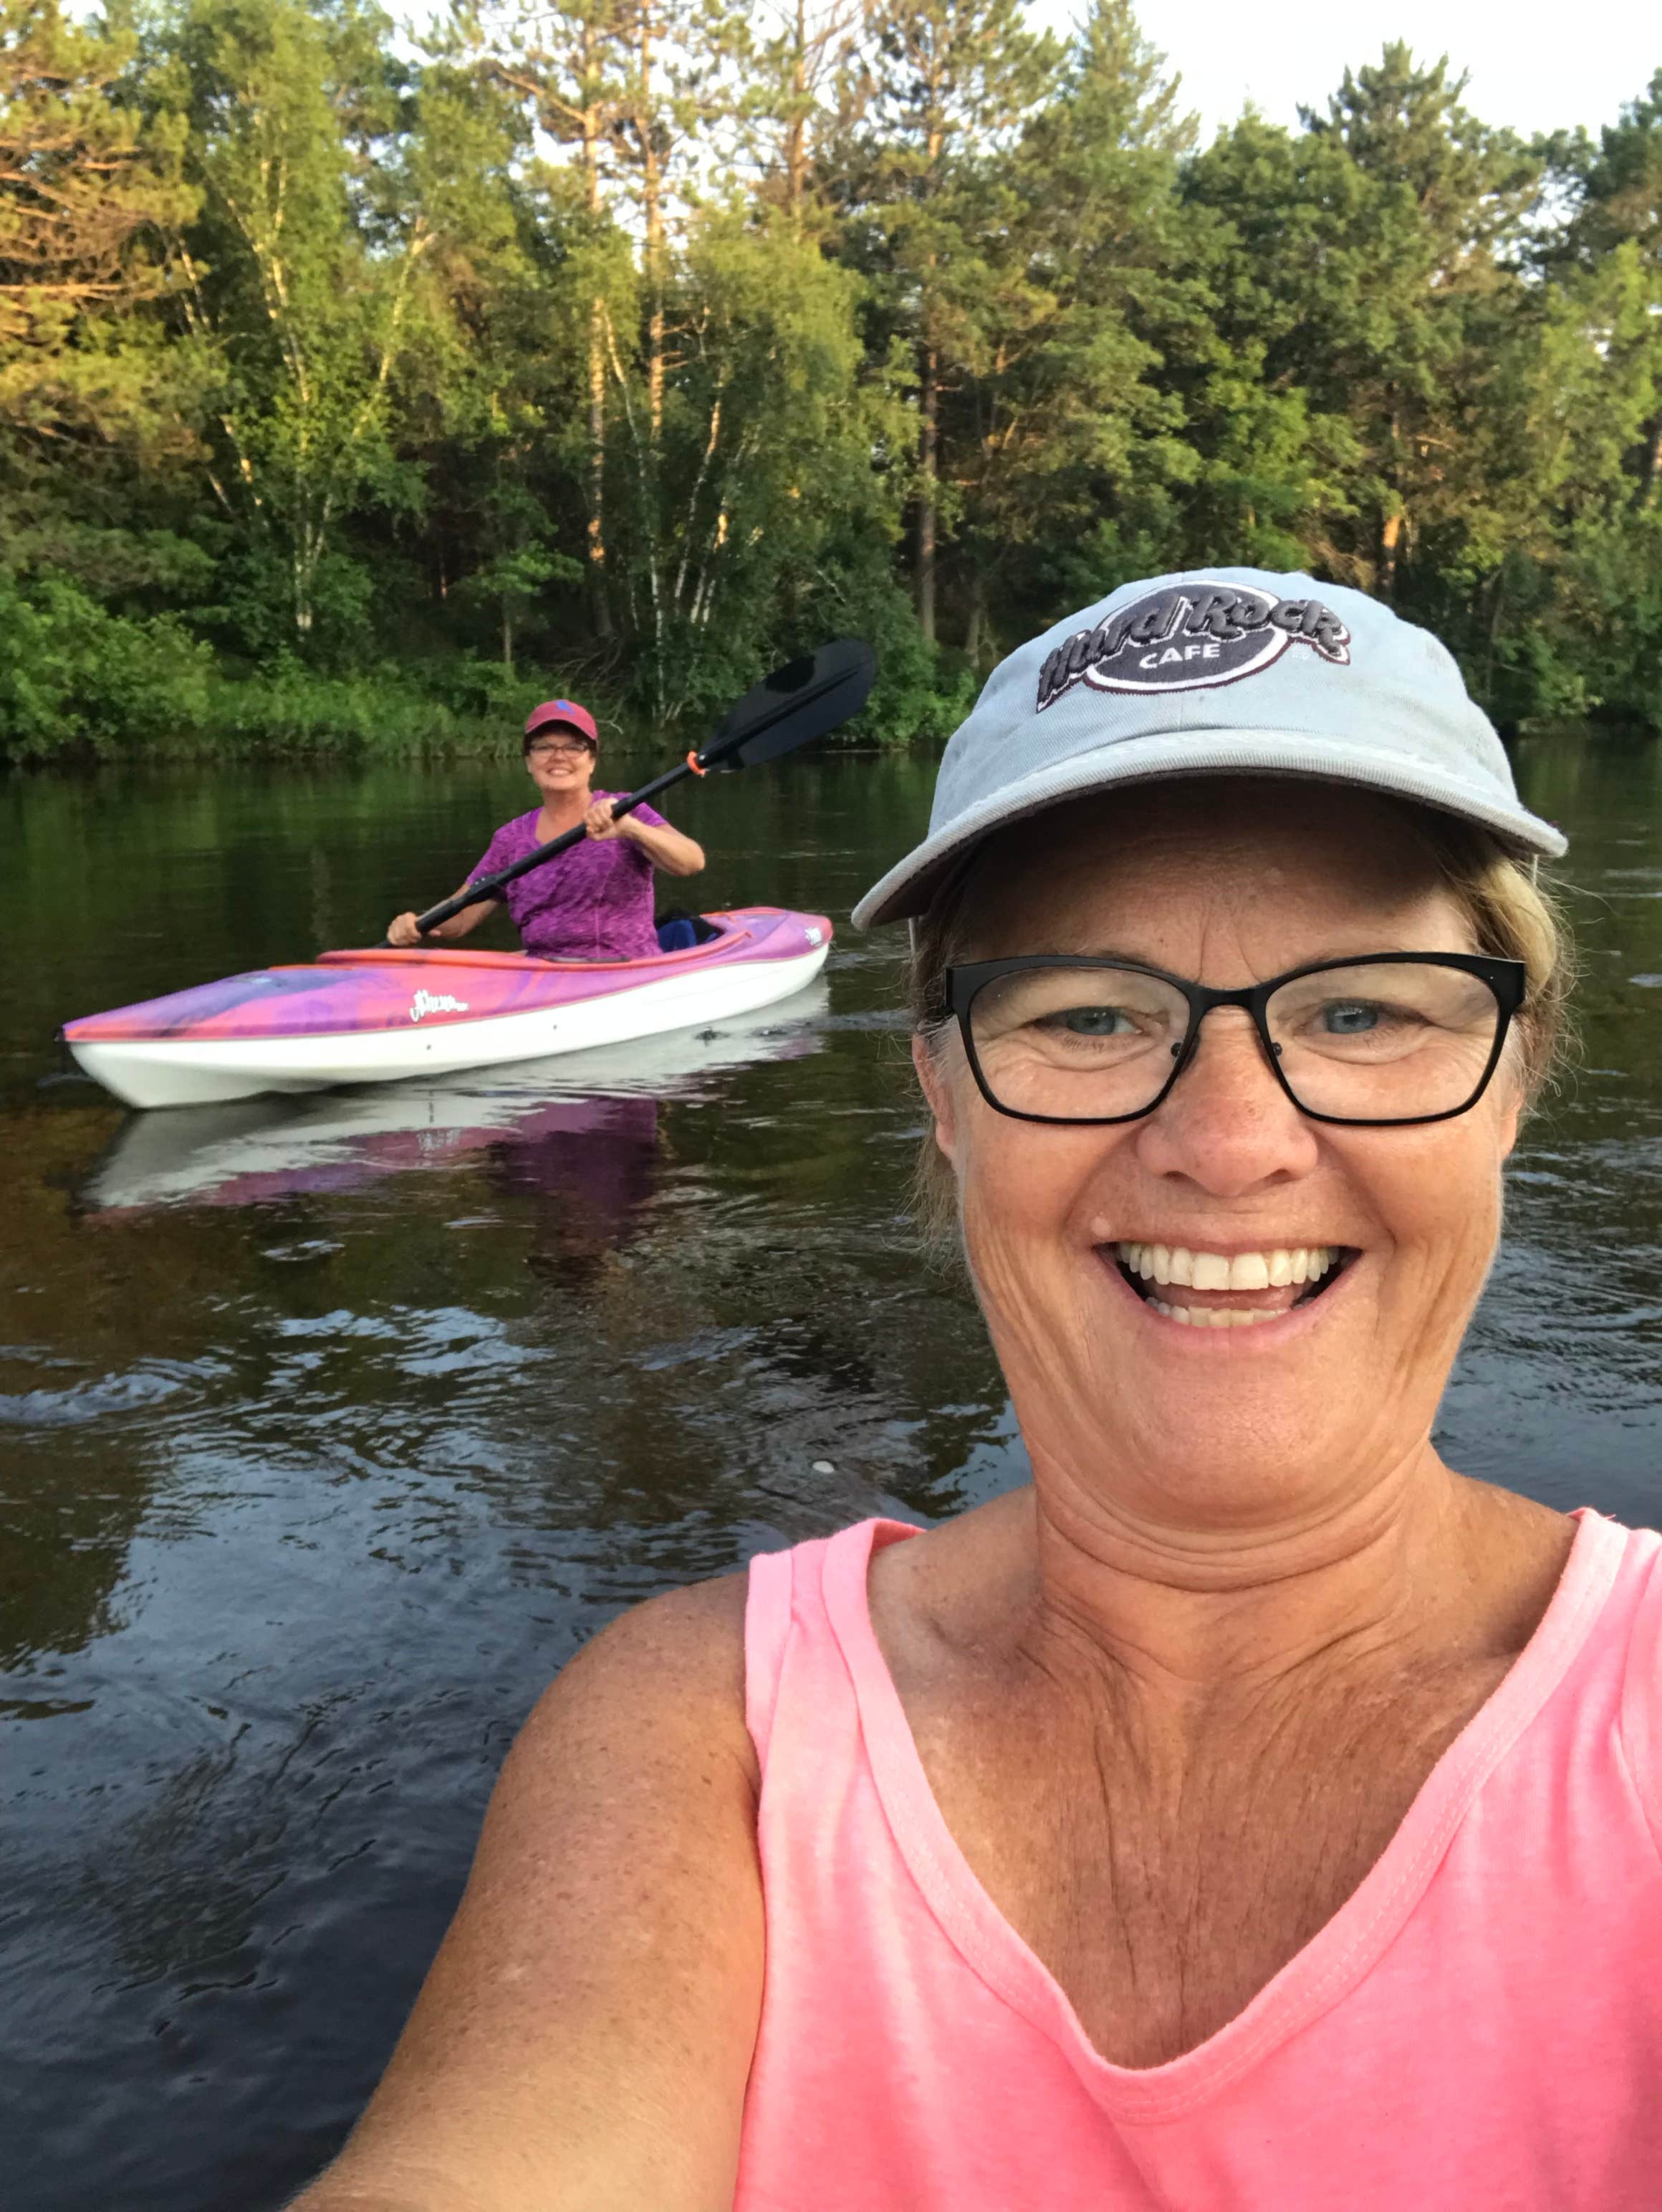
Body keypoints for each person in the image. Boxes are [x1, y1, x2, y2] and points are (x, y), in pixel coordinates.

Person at [299, 571, 1662, 2211]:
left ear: (1511, 1079)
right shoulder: (692, 1744)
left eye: (1362, 1009)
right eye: (1088, 1012)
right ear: (940, 1085)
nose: (1228, 1145)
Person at [386, 697, 705, 961]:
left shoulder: (625, 809)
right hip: (544, 978)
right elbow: (459, 918)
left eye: (573, 747)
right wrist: (416, 924)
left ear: (592, 760)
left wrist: (632, 830)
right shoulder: (511, 839)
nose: (558, 757)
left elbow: (692, 861)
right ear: (528, 761)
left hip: (624, 971)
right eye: (544, 747)